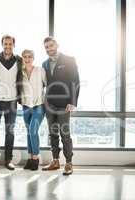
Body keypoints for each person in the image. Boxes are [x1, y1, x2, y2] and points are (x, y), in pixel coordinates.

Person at [41, 37, 80, 175]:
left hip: (64, 104)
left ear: (57, 45)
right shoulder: (44, 64)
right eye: (46, 47)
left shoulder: (69, 60)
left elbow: (75, 81)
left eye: (51, 45)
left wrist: (73, 102)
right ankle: (55, 160)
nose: (49, 48)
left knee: (65, 134)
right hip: (49, 104)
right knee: (52, 134)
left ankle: (69, 163)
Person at [0, 35, 23, 170]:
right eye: (5, 44)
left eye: (10, 44)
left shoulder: (19, 60)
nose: (8, 46)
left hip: (12, 101)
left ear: (14, 45)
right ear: (2, 45)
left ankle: (8, 160)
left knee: (10, 132)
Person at [21, 49, 47, 171]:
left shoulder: (40, 70)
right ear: (22, 58)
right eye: (25, 57)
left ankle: (36, 159)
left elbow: (48, 85)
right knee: (28, 132)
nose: (27, 59)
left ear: (33, 58)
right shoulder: (20, 73)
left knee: (33, 130)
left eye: (29, 56)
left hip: (39, 105)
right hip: (26, 106)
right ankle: (30, 158)